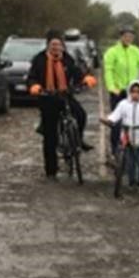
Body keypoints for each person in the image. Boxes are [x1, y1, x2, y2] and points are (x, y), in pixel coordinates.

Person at [27, 29, 97, 180]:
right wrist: (35, 86)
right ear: (48, 45)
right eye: (53, 45)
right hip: (47, 98)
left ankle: (78, 139)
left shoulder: (67, 59)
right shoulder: (39, 59)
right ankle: (51, 170)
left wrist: (85, 79)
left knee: (80, 114)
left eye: (58, 45)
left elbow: (76, 73)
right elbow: (32, 77)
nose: (56, 48)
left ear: (62, 46)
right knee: (50, 136)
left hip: (64, 95)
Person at [103, 27, 139, 158]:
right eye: (126, 36)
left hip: (133, 91)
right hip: (118, 91)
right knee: (117, 122)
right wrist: (111, 87)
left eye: (131, 36)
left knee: (135, 119)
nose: (128, 39)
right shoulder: (112, 52)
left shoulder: (135, 51)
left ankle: (136, 146)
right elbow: (108, 71)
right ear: (121, 37)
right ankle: (115, 150)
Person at [101, 80, 139, 188]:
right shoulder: (123, 104)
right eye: (133, 92)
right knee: (130, 162)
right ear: (129, 92)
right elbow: (115, 115)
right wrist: (108, 120)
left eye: (138, 92)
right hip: (127, 137)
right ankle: (132, 182)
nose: (135, 94)